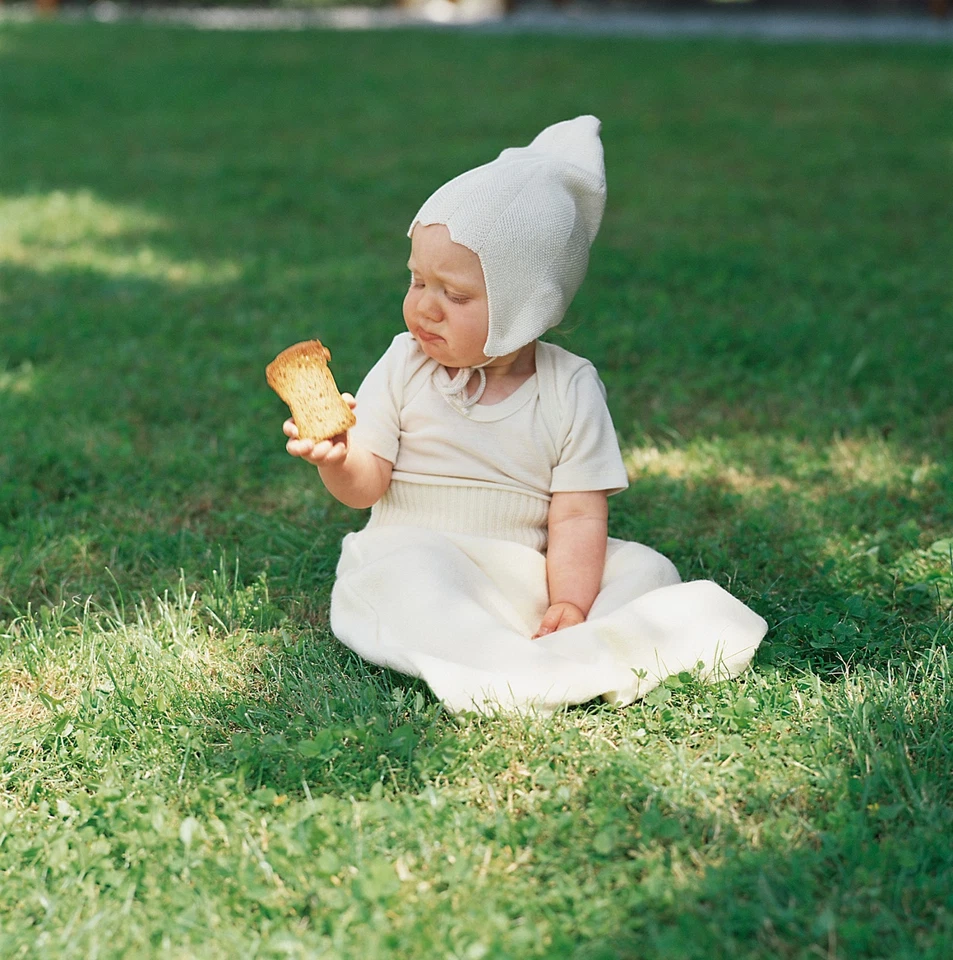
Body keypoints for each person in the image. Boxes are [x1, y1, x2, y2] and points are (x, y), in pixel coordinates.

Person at [283, 116, 767, 714]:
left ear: (527, 308)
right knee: (412, 578)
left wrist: (567, 598)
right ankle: (522, 669)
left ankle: (551, 644)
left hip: (526, 571)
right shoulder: (404, 363)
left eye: (454, 295)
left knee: (644, 567)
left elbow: (578, 515)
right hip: (422, 551)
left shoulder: (569, 386)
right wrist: (337, 457)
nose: (424, 307)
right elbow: (366, 488)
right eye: (416, 280)